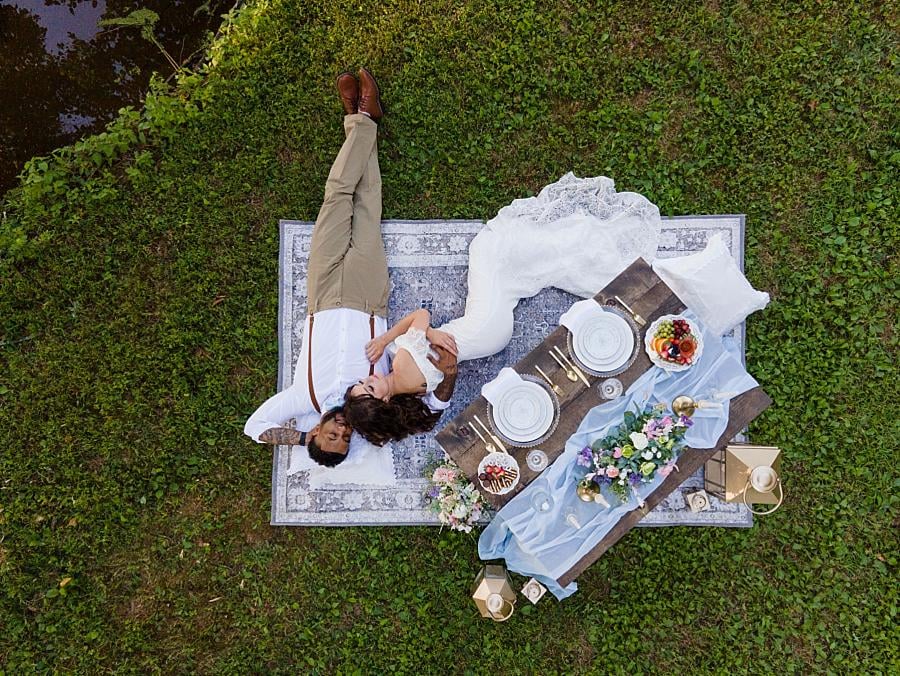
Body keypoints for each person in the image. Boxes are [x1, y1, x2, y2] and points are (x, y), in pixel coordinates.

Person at [346, 173, 663, 443]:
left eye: (360, 383)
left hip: (488, 339)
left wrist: (430, 350)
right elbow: (420, 315)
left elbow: (439, 401)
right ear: (383, 400)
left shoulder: (415, 394)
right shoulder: (399, 360)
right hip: (481, 327)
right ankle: (584, 246)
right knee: (487, 249)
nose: (366, 380)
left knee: (504, 272)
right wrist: (392, 338)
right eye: (368, 389)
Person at [244, 69, 457, 466]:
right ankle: (361, 118)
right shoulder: (372, 401)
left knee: (336, 197)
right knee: (367, 205)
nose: (341, 428)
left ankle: (361, 121)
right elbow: (435, 403)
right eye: (345, 437)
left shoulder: (301, 397)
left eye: (331, 434)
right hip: (366, 297)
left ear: (316, 430)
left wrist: (301, 438)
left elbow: (254, 428)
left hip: (322, 295)